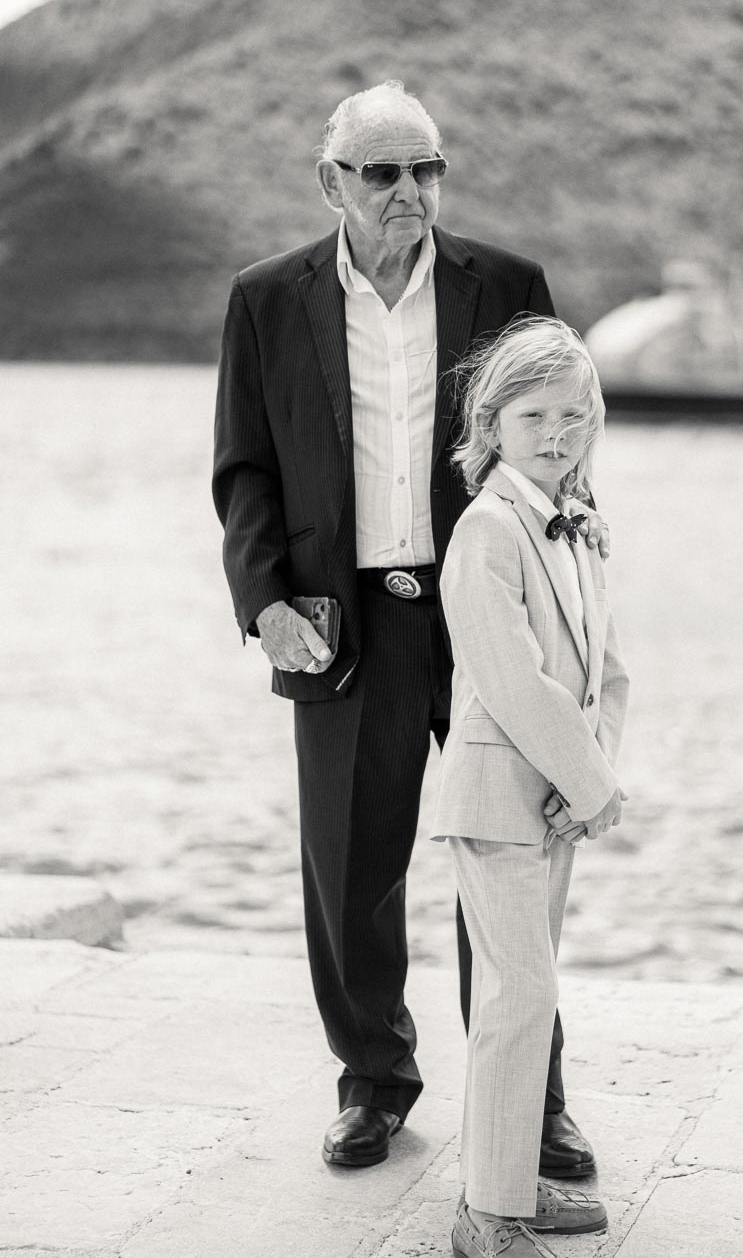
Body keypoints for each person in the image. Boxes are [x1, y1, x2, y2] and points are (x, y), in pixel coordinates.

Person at [212, 80, 610, 1172]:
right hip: (344, 623)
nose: (409, 192)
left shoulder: (510, 286)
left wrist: (572, 587)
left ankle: (531, 1101)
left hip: (485, 612)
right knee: (350, 869)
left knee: (511, 859)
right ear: (330, 180)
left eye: (426, 169)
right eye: (383, 172)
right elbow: (245, 467)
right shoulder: (265, 298)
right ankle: (375, 1084)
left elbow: (563, 437)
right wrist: (265, 601)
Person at [431, 316, 630, 1257]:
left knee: (530, 996)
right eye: (536, 415)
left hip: (549, 799)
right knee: (518, 998)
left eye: (574, 416)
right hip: (496, 797)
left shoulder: (579, 527)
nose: (556, 435)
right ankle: (489, 1215)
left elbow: (607, 675)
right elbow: (509, 677)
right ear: (493, 422)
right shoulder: (486, 529)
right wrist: (585, 783)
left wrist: (590, 777)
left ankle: (509, 1179)